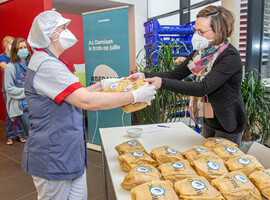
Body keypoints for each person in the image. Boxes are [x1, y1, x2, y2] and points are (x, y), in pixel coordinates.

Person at [22, 10, 156, 200]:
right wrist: (133, 96)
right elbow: (85, 101)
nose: (68, 31)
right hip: (53, 156)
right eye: (63, 27)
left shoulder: (52, 62)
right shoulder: (47, 66)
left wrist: (112, 84)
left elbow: (77, 93)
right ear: (52, 34)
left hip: (68, 153)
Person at [128, 6, 247, 146]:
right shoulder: (200, 53)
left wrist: (162, 83)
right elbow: (176, 74)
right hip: (209, 119)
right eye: (195, 30)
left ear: (219, 30)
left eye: (201, 31)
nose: (196, 35)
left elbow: (203, 88)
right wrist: (143, 75)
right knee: (205, 159)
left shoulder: (230, 57)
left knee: (223, 163)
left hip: (229, 122)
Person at [5, 37, 31, 142]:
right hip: (21, 106)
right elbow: (9, 88)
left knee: (35, 136)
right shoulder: (10, 67)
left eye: (25, 47)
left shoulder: (31, 64)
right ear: (15, 50)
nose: (23, 50)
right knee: (31, 135)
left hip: (34, 103)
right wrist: (27, 92)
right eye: (20, 48)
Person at [0, 36, 24, 145]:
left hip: (19, 88)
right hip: (7, 89)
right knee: (9, 111)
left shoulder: (17, 57)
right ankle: (10, 136)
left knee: (20, 110)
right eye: (10, 43)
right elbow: (6, 68)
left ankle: (19, 135)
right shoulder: (2, 57)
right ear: (5, 45)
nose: (12, 44)